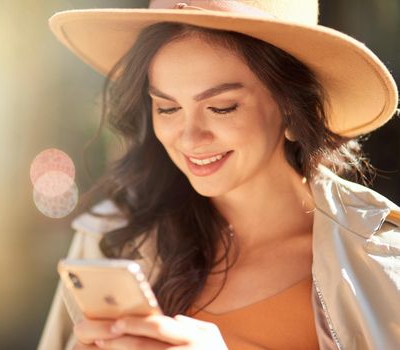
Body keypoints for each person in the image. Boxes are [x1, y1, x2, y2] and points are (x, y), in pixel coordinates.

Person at [38, 1, 400, 349]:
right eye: (167, 108)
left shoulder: (378, 260)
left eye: (221, 108)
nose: (191, 137)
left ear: (292, 110)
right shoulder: (110, 239)